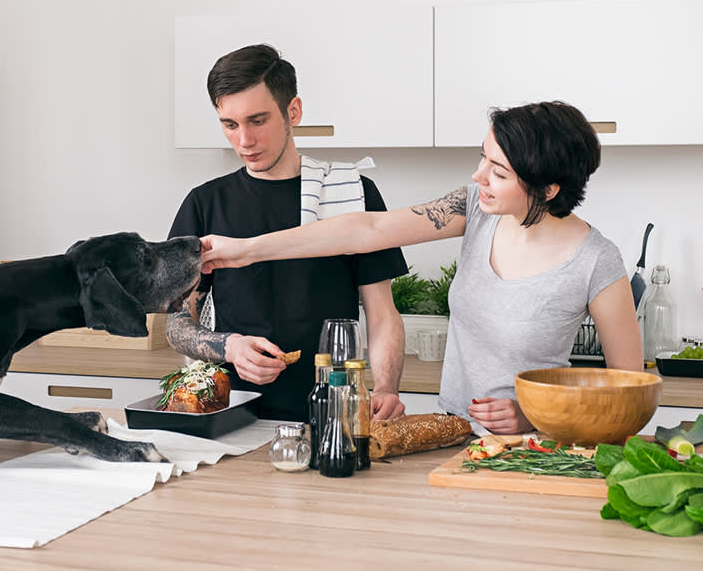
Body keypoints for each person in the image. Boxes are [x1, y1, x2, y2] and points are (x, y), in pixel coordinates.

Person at [200, 100, 644, 434]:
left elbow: (629, 395)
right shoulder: (477, 209)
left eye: (499, 171)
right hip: (452, 434)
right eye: (483, 158)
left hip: (539, 451)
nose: (478, 177)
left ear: (547, 189)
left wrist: (537, 416)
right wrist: (246, 250)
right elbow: (367, 230)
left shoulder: (596, 261)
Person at [166, 43, 409, 423]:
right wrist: (227, 346)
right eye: (230, 125)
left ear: (292, 111)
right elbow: (178, 324)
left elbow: (382, 314)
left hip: (335, 412)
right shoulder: (204, 204)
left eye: (257, 121)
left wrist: (387, 388)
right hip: (233, 414)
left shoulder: (353, 194)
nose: (243, 140)